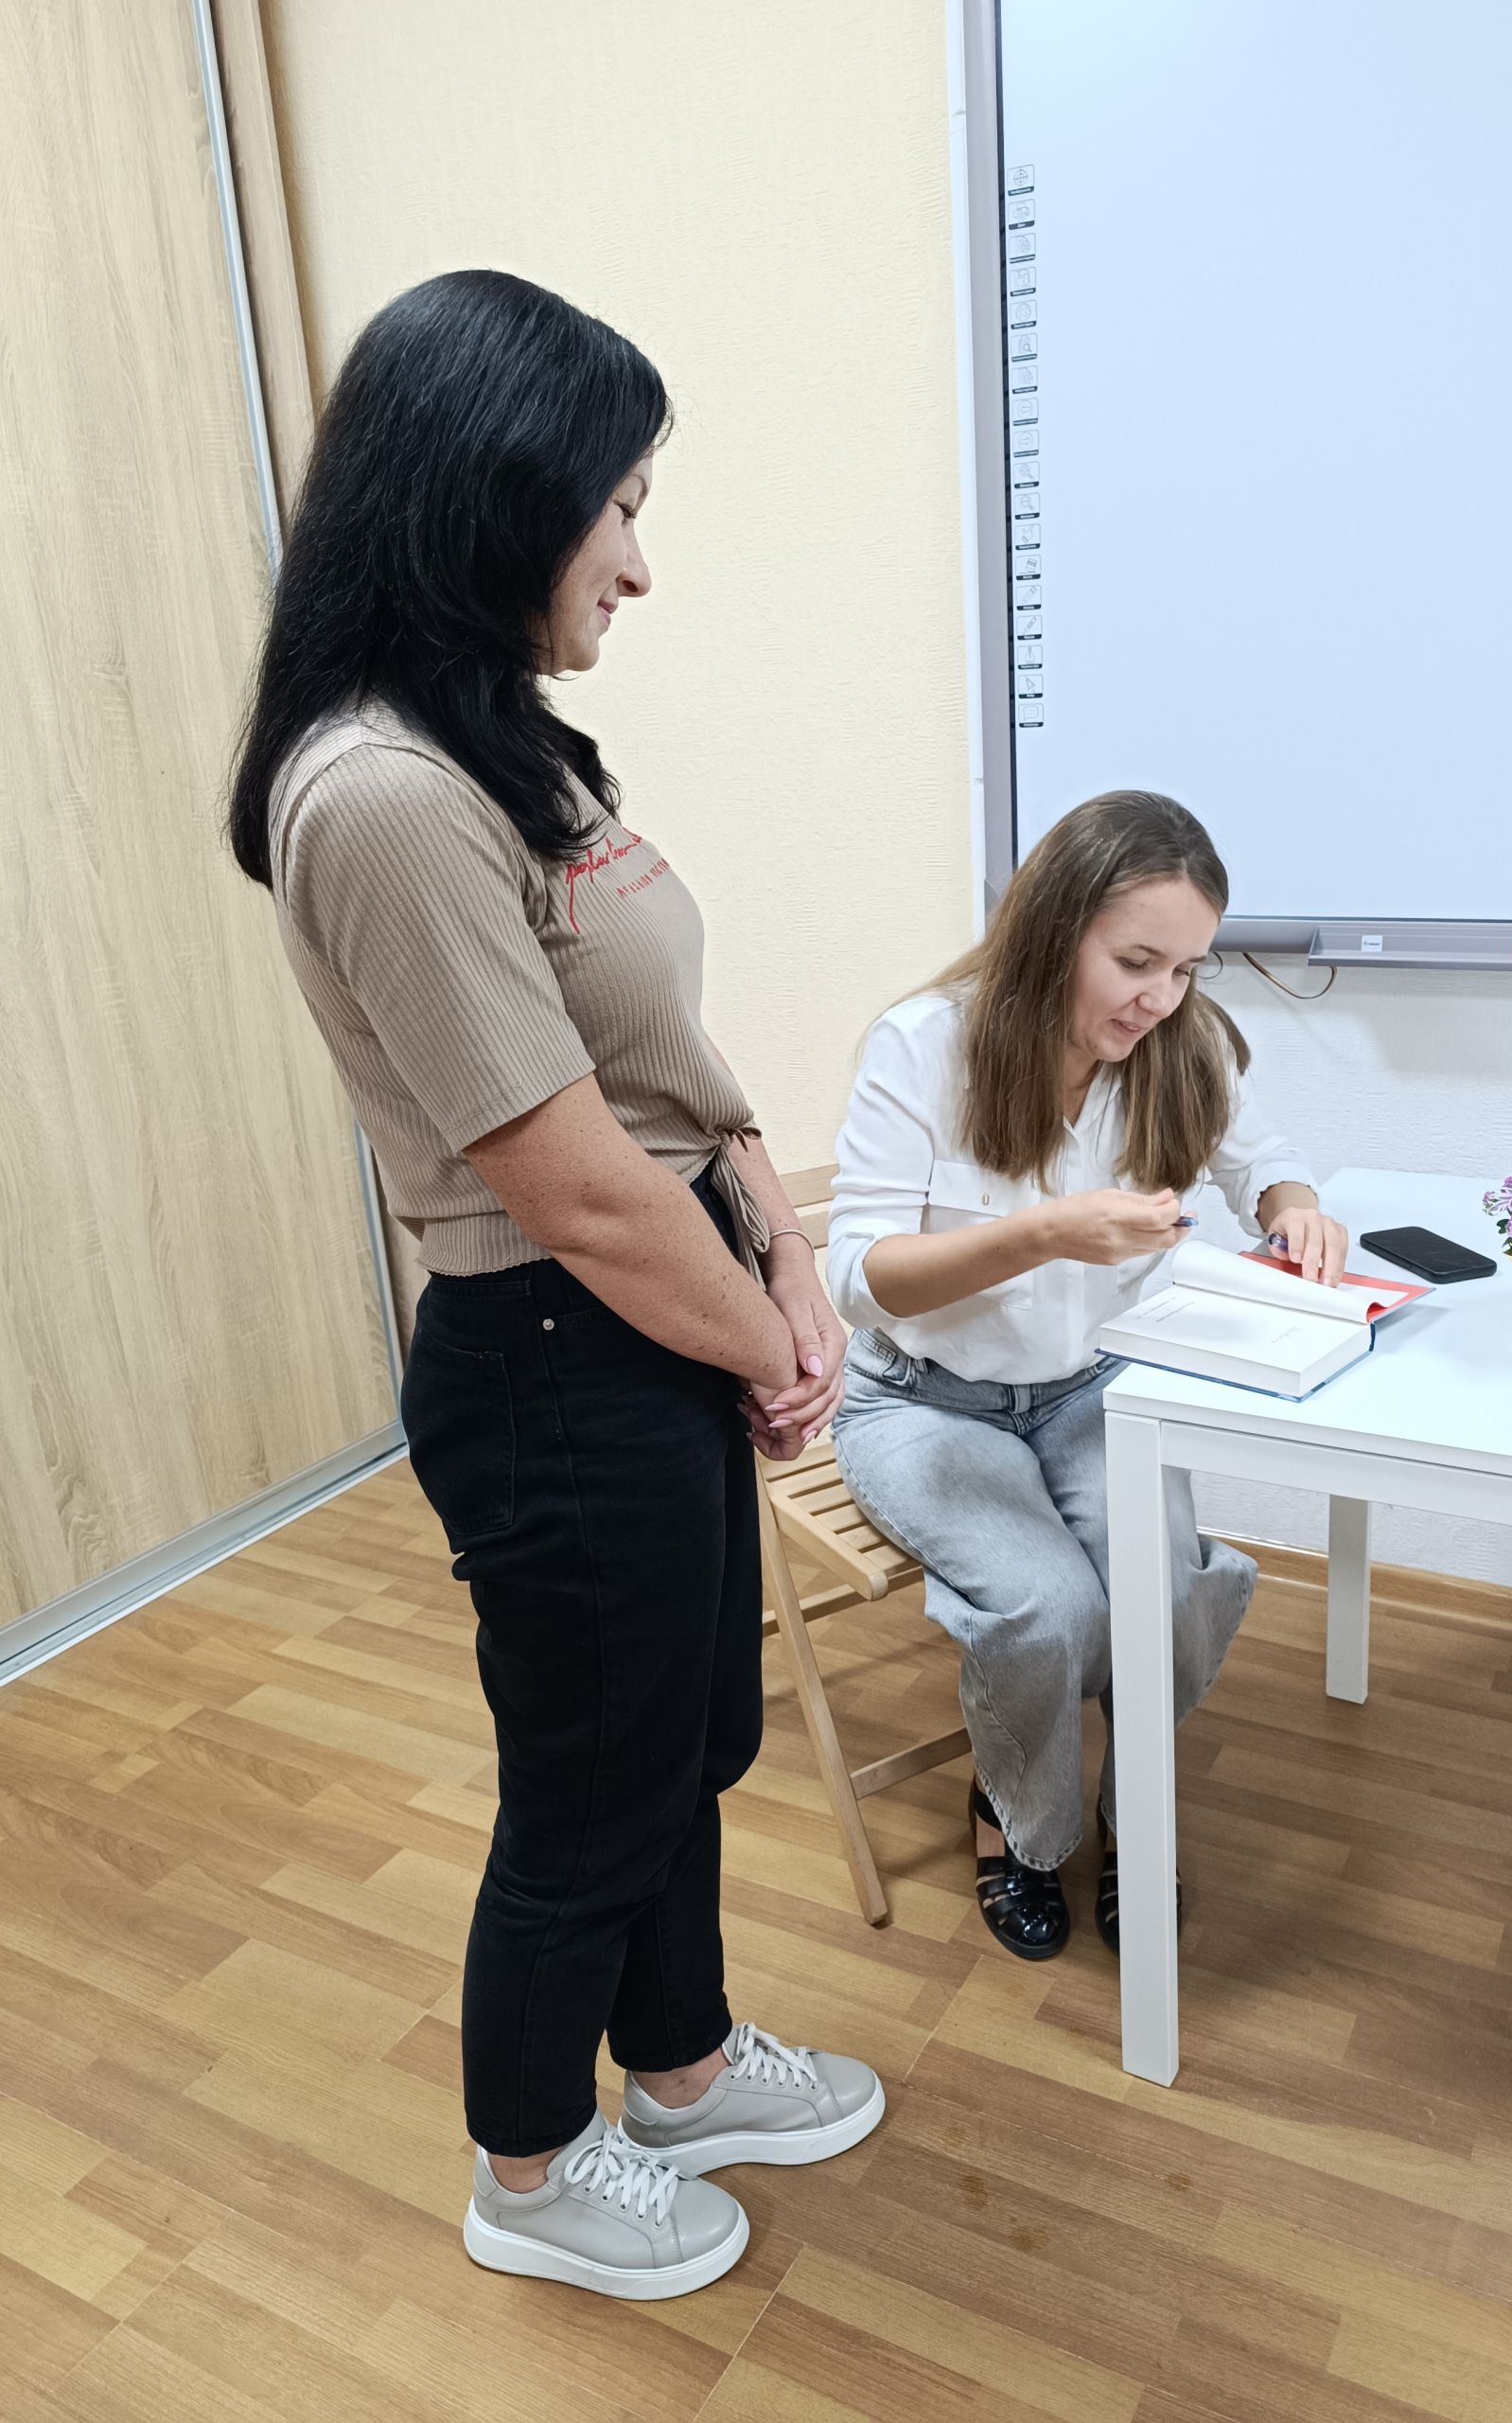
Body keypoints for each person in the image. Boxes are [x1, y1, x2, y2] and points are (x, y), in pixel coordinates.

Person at [228, 270, 880, 2302]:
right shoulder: (378, 797)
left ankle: (678, 2066)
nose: (640, 564)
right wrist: (766, 1342)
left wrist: (784, 1251)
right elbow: (578, 1186)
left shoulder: (504, 744)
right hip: (553, 1346)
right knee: (591, 1785)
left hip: (664, 1312)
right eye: (620, 509)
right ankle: (527, 2162)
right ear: (499, 492)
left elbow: (664, 1060)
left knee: (686, 1740)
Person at [828, 793, 1347, 1958]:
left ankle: (1131, 1809)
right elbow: (859, 1278)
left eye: (1187, 968)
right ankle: (1021, 1821)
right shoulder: (927, 1043)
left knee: (1158, 1592)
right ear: (1055, 928)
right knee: (1051, 1607)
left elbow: (1265, 1161)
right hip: (922, 1400)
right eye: (1137, 962)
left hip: (1092, 1387)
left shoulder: (1180, 1043)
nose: (1161, 997)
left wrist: (1294, 1207)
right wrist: (1044, 1233)